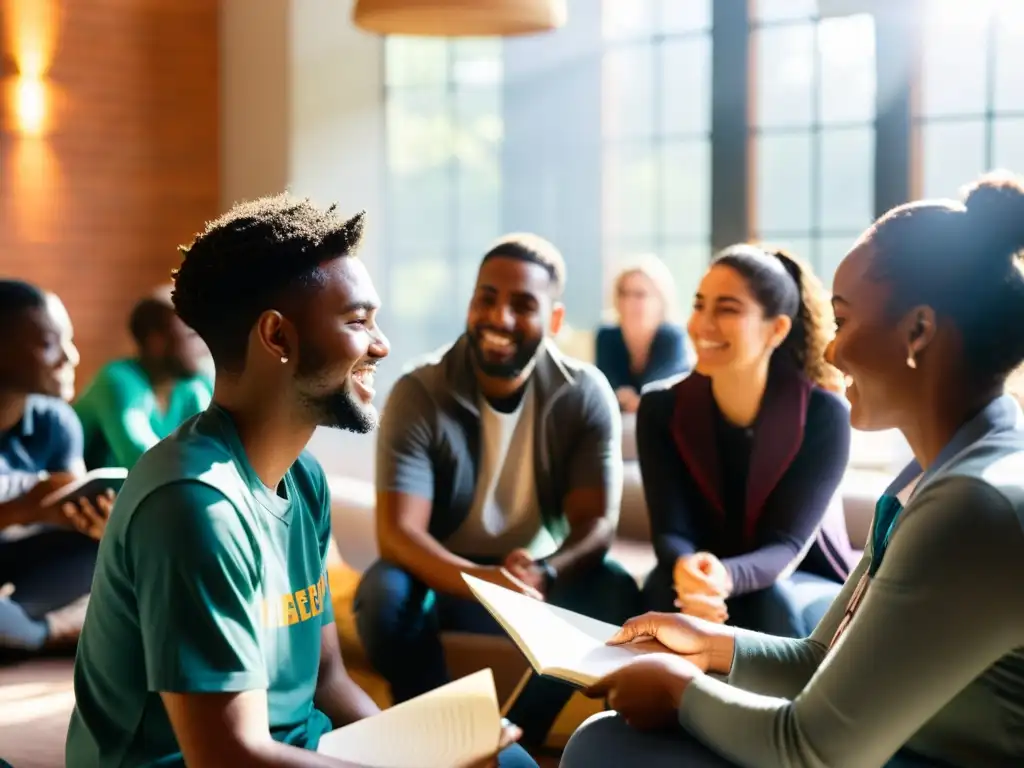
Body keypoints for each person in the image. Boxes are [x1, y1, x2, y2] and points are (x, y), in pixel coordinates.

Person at [560, 171, 1024, 767]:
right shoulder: (939, 472)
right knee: (607, 740)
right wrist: (710, 645)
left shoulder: (972, 507)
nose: (831, 350)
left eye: (846, 320)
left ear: (918, 331)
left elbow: (812, 750)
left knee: (606, 749)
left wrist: (679, 690)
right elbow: (818, 658)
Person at [64, 196, 529, 768]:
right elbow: (229, 756)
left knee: (503, 761)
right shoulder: (193, 507)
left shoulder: (304, 480)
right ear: (277, 338)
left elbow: (329, 681)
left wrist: (430, 746)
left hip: (298, 752)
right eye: (358, 322)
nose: (380, 345)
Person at [355, 233, 642, 750]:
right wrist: (483, 580)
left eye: (523, 305)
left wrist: (546, 571)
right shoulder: (420, 391)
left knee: (616, 589)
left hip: (536, 579)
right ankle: (441, 739)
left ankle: (515, 742)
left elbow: (597, 526)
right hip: (444, 578)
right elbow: (398, 535)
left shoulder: (583, 393)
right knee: (383, 593)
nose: (499, 317)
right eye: (486, 297)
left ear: (554, 321)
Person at [638, 246, 855, 637]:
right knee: (659, 589)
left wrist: (724, 577)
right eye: (699, 304)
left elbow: (786, 546)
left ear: (777, 330)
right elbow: (670, 529)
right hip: (701, 573)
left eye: (727, 309)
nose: (702, 324)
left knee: (770, 603)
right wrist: (689, 570)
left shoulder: (824, 414)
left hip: (800, 577)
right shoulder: (659, 407)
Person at [0, 280, 111, 654]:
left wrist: (94, 521)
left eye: (70, 340)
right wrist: (25, 506)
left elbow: (67, 508)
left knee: (104, 553)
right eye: (50, 344)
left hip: (18, 565)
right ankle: (43, 634)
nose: (71, 357)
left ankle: (24, 631)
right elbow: (32, 506)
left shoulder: (56, 422)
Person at [74, 294, 213, 470]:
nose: (205, 344)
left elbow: (216, 448)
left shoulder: (191, 387)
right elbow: (143, 460)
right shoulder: (117, 381)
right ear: (156, 342)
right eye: (192, 335)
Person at [595, 256, 691, 413]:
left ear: (660, 299)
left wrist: (636, 400)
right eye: (624, 293)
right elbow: (604, 388)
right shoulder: (606, 336)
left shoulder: (673, 337)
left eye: (640, 294)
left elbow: (664, 388)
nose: (629, 301)